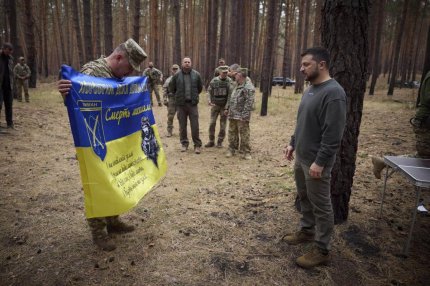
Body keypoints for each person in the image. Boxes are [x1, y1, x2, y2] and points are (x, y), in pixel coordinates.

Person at [57, 38, 147, 251]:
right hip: (94, 141)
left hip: (112, 139)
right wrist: (65, 92)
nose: (128, 73)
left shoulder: (115, 77)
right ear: (118, 57)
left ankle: (113, 220)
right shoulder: (93, 72)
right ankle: (99, 233)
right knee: (97, 185)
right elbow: (76, 103)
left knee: (114, 180)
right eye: (128, 67)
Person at [284, 47, 346, 268]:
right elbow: (302, 121)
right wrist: (293, 142)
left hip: (316, 162)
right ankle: (307, 231)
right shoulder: (310, 89)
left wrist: (320, 162)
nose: (301, 69)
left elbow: (333, 134)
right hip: (301, 156)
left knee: (321, 205)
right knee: (304, 197)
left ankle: (322, 249)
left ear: (322, 65)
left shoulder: (334, 93)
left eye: (306, 64)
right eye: (301, 65)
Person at [372, 70, 430, 178]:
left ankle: (383, 162)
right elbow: (427, 98)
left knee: (424, 159)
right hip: (425, 122)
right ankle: (384, 162)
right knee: (424, 159)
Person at [168, 57, 203, 154]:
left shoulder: (196, 75)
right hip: (181, 105)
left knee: (195, 125)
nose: (187, 63)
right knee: (182, 126)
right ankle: (184, 144)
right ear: (182, 63)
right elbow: (172, 88)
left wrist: (194, 96)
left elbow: (200, 88)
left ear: (191, 63)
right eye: (185, 62)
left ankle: (197, 145)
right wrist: (179, 97)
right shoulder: (176, 75)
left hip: (192, 104)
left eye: (188, 62)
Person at [224, 68, 255, 159]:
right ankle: (231, 149)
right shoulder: (236, 85)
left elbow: (249, 103)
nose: (235, 76)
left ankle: (246, 152)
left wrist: (244, 115)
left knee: (244, 133)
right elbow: (232, 98)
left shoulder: (248, 87)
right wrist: (227, 108)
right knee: (232, 132)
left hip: (242, 116)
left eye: (236, 74)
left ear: (240, 75)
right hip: (233, 114)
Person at [205, 66, 233, 148]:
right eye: (223, 72)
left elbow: (230, 96)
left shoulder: (229, 81)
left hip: (224, 106)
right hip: (215, 106)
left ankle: (220, 141)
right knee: (212, 123)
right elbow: (209, 91)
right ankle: (211, 141)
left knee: (223, 125)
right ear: (220, 72)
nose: (225, 74)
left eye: (226, 72)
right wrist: (209, 100)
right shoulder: (214, 81)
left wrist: (227, 107)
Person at [162, 64, 179, 137]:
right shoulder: (168, 79)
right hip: (171, 99)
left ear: (179, 69)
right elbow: (165, 89)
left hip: (180, 99)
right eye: (173, 69)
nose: (175, 70)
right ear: (171, 70)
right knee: (170, 116)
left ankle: (182, 132)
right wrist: (165, 99)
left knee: (181, 117)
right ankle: (169, 131)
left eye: (176, 69)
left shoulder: (182, 79)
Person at [0, 42, 14, 129]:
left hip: (8, 86)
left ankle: (10, 123)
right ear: (4, 49)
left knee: (9, 105)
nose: (9, 53)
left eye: (10, 52)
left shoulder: (10, 59)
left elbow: (11, 73)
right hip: (0, 86)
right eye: (8, 51)